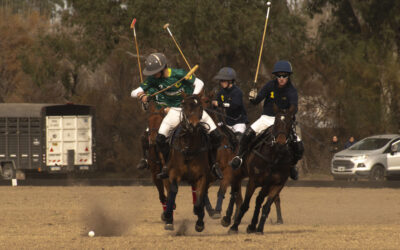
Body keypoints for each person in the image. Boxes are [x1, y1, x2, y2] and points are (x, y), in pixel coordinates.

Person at [131, 52, 223, 179]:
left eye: (155, 71)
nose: (153, 75)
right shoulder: (153, 80)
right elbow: (134, 92)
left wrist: (193, 97)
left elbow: (199, 83)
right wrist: (142, 95)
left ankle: (213, 164)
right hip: (175, 111)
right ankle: (167, 165)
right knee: (160, 139)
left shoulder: (179, 74)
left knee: (216, 136)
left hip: (192, 109)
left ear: (163, 68)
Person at [229, 60, 304, 180]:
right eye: (278, 75)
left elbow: (294, 107)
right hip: (266, 118)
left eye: (284, 75)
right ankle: (239, 157)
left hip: (284, 121)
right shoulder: (270, 85)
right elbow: (256, 101)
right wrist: (252, 97)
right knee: (247, 134)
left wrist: (287, 116)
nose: (281, 78)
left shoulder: (292, 90)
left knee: (299, 146)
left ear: (288, 76)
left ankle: (292, 166)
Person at [211, 67, 248, 140]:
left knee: (238, 139)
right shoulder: (220, 93)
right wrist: (211, 104)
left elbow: (234, 105)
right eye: (220, 80)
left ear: (230, 81)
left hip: (238, 123)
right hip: (227, 123)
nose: (221, 82)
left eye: (223, 80)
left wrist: (219, 104)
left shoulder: (237, 92)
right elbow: (216, 107)